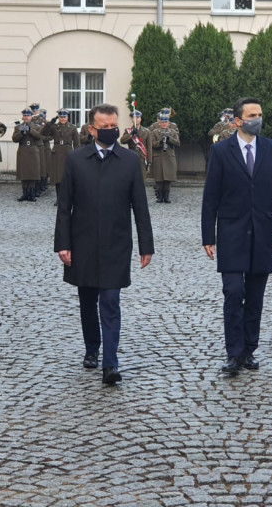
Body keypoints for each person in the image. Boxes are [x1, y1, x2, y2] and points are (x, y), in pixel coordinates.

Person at [54, 103, 154, 385]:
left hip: (116, 244)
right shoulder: (75, 160)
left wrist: (147, 245)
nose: (110, 131)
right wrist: (63, 244)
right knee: (87, 301)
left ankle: (111, 363)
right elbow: (65, 207)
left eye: (114, 126)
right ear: (91, 129)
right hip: (82, 242)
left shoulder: (130, 161)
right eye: (104, 127)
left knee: (110, 302)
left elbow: (140, 207)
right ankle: (92, 348)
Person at [202, 97, 272, 377]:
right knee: (233, 292)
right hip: (231, 234)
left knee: (255, 297)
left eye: (260, 114)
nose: (258, 119)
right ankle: (233, 353)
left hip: (263, 233)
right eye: (252, 114)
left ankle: (249, 350)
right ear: (238, 120)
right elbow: (210, 198)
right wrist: (208, 235)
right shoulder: (221, 151)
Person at [41, 109, 80, 206]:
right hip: (57, 152)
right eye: (61, 117)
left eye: (64, 117)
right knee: (58, 178)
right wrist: (50, 123)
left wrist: (77, 155)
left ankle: (67, 199)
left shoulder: (72, 127)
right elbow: (43, 133)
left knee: (67, 178)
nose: (62, 119)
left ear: (67, 117)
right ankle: (59, 198)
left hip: (68, 152)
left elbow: (76, 143)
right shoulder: (54, 127)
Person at [12, 107, 43, 201]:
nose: (26, 117)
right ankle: (25, 193)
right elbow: (14, 139)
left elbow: (39, 137)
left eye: (28, 116)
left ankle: (32, 194)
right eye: (24, 116)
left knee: (32, 173)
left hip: (33, 150)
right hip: (23, 150)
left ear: (31, 117)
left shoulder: (36, 126)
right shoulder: (18, 127)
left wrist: (30, 130)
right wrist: (21, 133)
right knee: (24, 173)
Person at [149, 114, 180, 203]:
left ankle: (166, 196)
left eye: (166, 122)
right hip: (158, 156)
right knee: (159, 178)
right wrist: (160, 141)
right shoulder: (155, 132)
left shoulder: (173, 132)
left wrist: (169, 139)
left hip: (169, 157)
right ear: (160, 123)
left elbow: (178, 143)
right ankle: (160, 196)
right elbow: (152, 144)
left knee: (168, 178)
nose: (164, 124)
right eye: (162, 122)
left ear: (168, 123)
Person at [119, 109, 150, 183]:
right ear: (132, 119)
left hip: (142, 157)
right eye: (134, 118)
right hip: (132, 156)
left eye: (138, 117)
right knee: (132, 178)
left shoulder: (146, 131)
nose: (136, 119)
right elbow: (122, 141)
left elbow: (149, 146)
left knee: (142, 179)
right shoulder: (128, 130)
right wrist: (131, 134)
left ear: (140, 119)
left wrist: (149, 160)